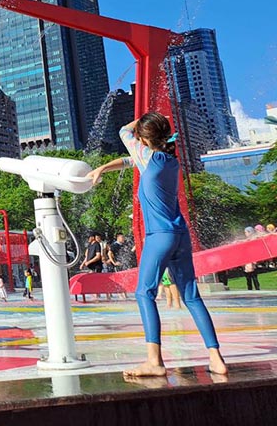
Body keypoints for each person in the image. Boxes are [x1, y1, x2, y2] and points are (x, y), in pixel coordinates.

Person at [88, 114, 226, 377]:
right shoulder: (169, 160)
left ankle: (154, 362)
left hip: (159, 236)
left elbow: (122, 131)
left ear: (142, 137)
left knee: (144, 293)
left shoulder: (147, 155)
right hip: (180, 235)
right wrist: (103, 168)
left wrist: (139, 118)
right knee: (192, 297)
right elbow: (131, 160)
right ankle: (216, 357)